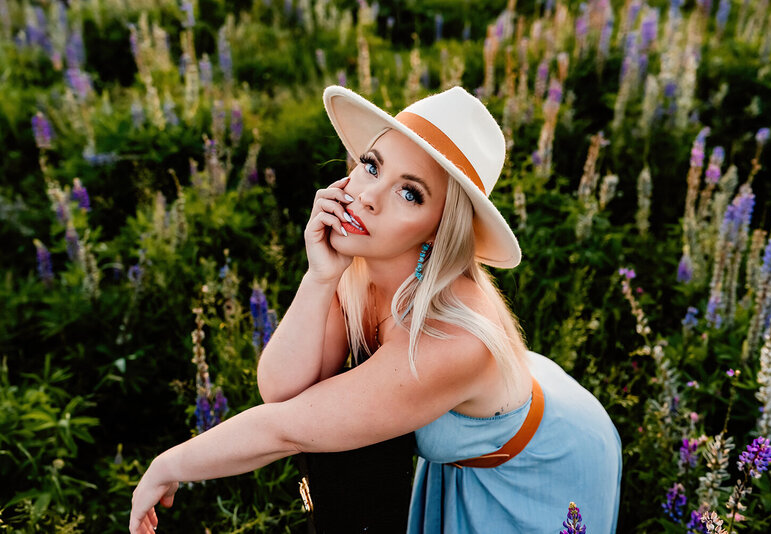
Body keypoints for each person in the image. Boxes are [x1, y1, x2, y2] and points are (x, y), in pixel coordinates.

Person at [129, 85, 622, 534]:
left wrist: (169, 466)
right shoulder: (364, 269)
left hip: (541, 460)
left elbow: (285, 427)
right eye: (371, 164)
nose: (366, 197)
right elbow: (282, 390)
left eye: (410, 193)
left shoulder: (449, 340)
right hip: (485, 416)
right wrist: (321, 276)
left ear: (437, 227)